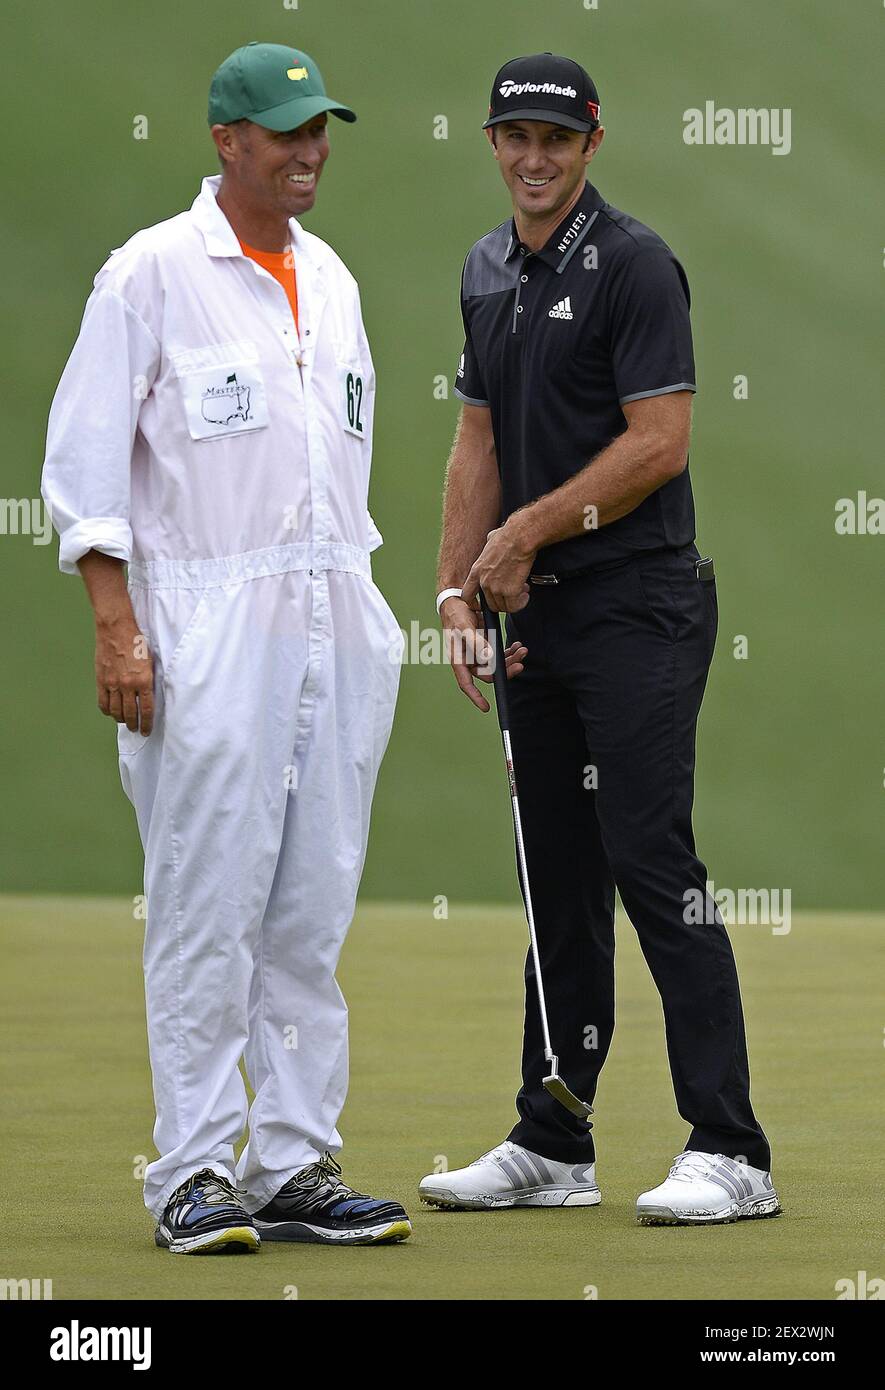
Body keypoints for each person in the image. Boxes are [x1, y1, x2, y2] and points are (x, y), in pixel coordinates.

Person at [41, 41, 411, 1252]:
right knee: (207, 903)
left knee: (309, 906)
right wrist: (117, 629)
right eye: (286, 131)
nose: (309, 151)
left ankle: (292, 1159)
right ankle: (193, 1168)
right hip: (205, 626)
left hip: (331, 620)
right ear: (225, 140)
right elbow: (85, 470)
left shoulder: (338, 281)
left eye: (321, 131)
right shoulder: (150, 274)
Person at [421, 53, 779, 1225]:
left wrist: (522, 533)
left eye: (555, 140)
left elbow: (658, 443)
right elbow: (477, 439)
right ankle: (555, 1136)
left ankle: (730, 1147)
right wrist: (458, 589)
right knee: (555, 879)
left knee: (647, 860)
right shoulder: (484, 267)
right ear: (492, 143)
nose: (534, 158)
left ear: (591, 145)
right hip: (536, 616)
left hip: (640, 603)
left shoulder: (632, 266)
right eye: (514, 137)